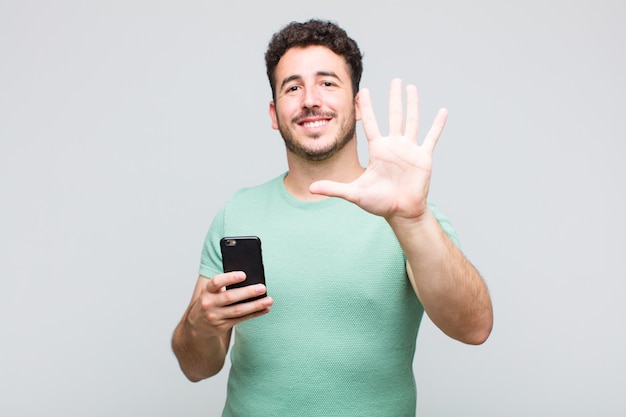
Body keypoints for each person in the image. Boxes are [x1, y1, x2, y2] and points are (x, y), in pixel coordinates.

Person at [172, 18, 493, 417]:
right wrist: (199, 327)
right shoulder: (237, 213)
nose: (310, 99)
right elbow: (196, 367)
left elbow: (474, 328)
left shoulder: (408, 214)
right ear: (274, 113)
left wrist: (411, 218)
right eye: (293, 87)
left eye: (327, 83)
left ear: (357, 104)